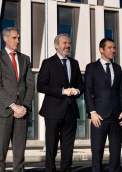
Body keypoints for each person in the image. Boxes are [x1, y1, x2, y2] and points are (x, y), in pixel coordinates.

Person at [0, 27, 35, 172]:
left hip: (22, 112)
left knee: (19, 156)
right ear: (5, 38)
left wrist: (23, 106)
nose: (17, 41)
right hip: (3, 111)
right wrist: (13, 106)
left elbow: (30, 85)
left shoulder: (25, 58)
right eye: (14, 38)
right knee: (0, 155)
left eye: (18, 38)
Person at [37, 33, 84, 172]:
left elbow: (81, 85)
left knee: (68, 148)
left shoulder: (74, 63)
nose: (68, 46)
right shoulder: (48, 62)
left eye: (69, 43)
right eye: (64, 43)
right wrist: (62, 91)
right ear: (56, 45)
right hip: (53, 111)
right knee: (51, 147)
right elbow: (41, 86)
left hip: (71, 111)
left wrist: (77, 90)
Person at [84, 38, 122, 172]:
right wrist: (92, 112)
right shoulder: (91, 67)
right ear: (101, 50)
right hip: (99, 117)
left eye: (114, 48)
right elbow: (88, 91)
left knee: (116, 154)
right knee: (97, 153)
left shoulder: (117, 68)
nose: (113, 50)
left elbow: (121, 91)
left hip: (116, 117)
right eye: (109, 48)